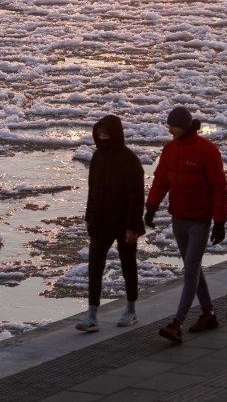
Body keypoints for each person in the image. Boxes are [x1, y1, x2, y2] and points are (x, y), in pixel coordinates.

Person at [145, 106, 227, 343]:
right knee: (194, 268)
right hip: (178, 219)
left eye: (173, 126)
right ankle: (208, 313)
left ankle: (176, 323)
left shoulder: (207, 151)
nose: (169, 130)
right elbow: (161, 180)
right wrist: (151, 207)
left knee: (190, 270)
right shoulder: (170, 149)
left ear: (184, 126)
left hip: (199, 221)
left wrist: (220, 222)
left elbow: (220, 189)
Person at [75, 114, 146, 332]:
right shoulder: (97, 157)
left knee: (128, 266)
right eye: (99, 134)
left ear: (115, 134)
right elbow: (93, 190)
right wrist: (90, 217)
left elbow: (136, 196)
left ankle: (131, 310)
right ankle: (92, 315)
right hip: (101, 223)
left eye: (106, 134)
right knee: (95, 266)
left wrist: (133, 226)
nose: (102, 138)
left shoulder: (129, 159)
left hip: (124, 223)